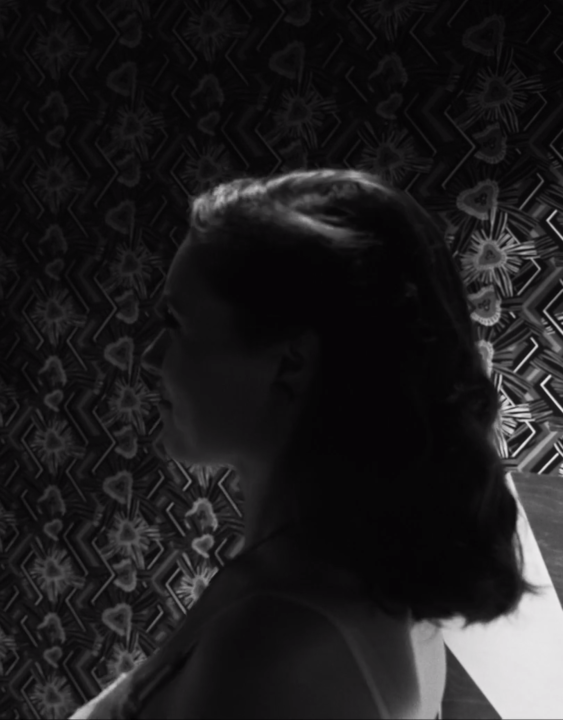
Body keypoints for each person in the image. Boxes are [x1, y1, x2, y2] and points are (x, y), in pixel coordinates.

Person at [73, 169, 539, 719]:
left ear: (290, 364)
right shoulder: (320, 579)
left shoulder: (274, 649)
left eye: (176, 322)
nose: (151, 357)